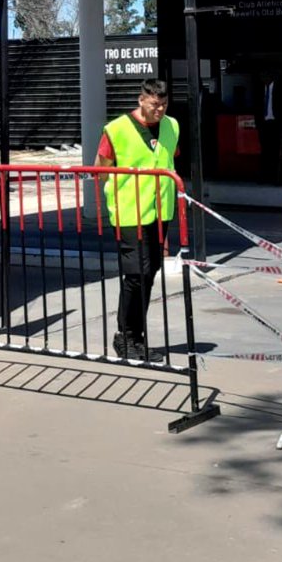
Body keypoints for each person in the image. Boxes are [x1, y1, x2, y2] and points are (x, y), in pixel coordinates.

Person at [96, 79, 179, 362]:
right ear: (141, 100)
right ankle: (126, 337)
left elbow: (168, 158)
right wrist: (117, 194)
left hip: (160, 210)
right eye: (154, 104)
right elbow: (101, 169)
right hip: (129, 211)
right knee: (136, 275)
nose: (159, 110)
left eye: (164, 104)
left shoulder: (172, 126)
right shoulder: (117, 129)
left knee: (150, 272)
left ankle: (135, 338)